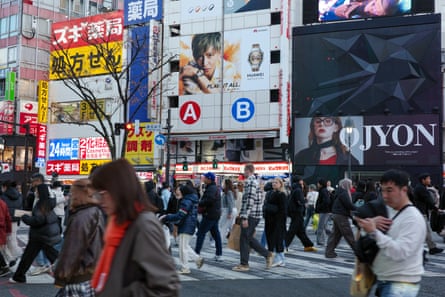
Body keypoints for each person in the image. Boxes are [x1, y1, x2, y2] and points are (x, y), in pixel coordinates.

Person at [89, 159, 179, 296]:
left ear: (118, 191)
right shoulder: (117, 223)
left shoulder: (144, 226)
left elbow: (166, 287)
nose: (99, 201)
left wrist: (121, 292)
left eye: (102, 194)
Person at [355, 169, 426, 297]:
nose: (385, 196)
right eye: (382, 190)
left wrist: (374, 232)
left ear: (404, 190)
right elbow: (358, 217)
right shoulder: (393, 212)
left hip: (400, 285)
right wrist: (372, 224)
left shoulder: (412, 218)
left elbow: (400, 252)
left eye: (389, 190)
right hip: (388, 282)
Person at [53, 178, 105, 296]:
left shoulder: (81, 217)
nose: (71, 196)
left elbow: (72, 249)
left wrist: (61, 277)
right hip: (91, 274)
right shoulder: (96, 211)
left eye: (73, 192)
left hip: (79, 277)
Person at [10, 184, 61, 283]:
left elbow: (38, 220)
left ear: (40, 192)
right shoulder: (49, 202)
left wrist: (25, 217)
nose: (35, 192)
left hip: (39, 235)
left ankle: (19, 277)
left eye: (37, 191)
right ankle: (67, 272)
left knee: (28, 257)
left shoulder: (41, 204)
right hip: (45, 234)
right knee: (52, 255)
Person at [294, 116, 359, 184]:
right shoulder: (301, 156)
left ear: (336, 127)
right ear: (313, 127)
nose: (321, 124)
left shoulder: (348, 159)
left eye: (328, 121)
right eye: (318, 121)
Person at [232, 163, 273, 272]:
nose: (243, 173)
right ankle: (267, 254)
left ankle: (244, 264)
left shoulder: (250, 182)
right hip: (255, 214)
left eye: (244, 171)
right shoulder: (255, 182)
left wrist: (244, 217)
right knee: (248, 237)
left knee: (244, 238)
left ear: (247, 170)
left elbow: (249, 200)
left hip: (251, 215)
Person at [160, 184, 202, 274]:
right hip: (190, 225)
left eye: (180, 191)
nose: (178, 192)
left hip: (186, 225)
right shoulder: (192, 199)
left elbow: (181, 214)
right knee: (184, 245)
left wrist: (168, 217)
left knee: (183, 248)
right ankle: (197, 259)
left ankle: (185, 267)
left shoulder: (186, 201)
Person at [194, 172, 222, 262]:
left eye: (205, 177)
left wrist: (200, 203)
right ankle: (219, 254)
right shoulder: (213, 188)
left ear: (209, 179)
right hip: (214, 214)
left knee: (201, 233)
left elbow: (208, 200)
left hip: (209, 214)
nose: (203, 178)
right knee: (216, 234)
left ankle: (196, 253)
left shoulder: (211, 188)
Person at [413, 172, 443, 255]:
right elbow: (428, 200)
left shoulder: (420, 188)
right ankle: (431, 248)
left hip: (420, 212)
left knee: (425, 232)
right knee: (425, 231)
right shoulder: (421, 189)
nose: (430, 180)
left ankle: (431, 247)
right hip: (421, 213)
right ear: (423, 180)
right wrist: (436, 209)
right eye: (428, 179)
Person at [325, 178, 356, 258]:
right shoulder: (344, 193)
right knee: (348, 234)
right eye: (350, 184)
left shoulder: (339, 192)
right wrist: (358, 209)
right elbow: (348, 205)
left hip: (336, 214)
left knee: (336, 235)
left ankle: (329, 252)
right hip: (341, 215)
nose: (351, 186)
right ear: (347, 185)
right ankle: (358, 251)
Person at [285, 177, 317, 253]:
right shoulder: (298, 190)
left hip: (294, 212)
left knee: (300, 231)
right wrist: (306, 200)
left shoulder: (294, 189)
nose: (303, 183)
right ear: (300, 181)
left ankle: (308, 245)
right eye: (302, 181)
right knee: (292, 231)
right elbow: (300, 201)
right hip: (297, 212)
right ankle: (283, 245)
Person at [263, 177, 287, 267]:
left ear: (280, 184)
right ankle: (277, 258)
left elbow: (283, 210)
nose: (274, 184)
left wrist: (280, 221)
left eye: (276, 182)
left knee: (277, 239)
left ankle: (279, 259)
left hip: (277, 220)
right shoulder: (269, 193)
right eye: (273, 182)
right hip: (269, 219)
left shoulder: (282, 194)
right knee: (270, 239)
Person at [1, 180, 23, 266]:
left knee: (4, 242)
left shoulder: (3, 197)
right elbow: (22, 207)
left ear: (5, 187)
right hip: (15, 221)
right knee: (11, 239)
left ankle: (13, 256)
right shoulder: (19, 195)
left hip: (5, 221)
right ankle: (12, 257)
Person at [314, 178, 331, 246]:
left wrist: (319, 207)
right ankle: (322, 241)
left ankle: (320, 241)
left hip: (323, 211)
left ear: (321, 184)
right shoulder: (324, 190)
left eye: (318, 183)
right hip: (325, 210)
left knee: (320, 227)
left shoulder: (323, 191)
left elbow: (326, 201)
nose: (317, 184)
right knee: (323, 226)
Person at [0, 195, 12, 277]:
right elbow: (8, 217)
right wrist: (8, 229)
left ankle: (4, 266)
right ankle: (4, 266)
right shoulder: (3, 202)